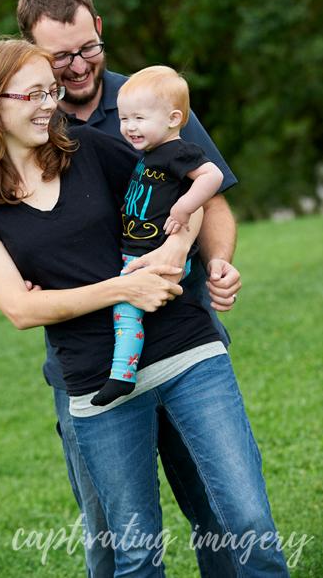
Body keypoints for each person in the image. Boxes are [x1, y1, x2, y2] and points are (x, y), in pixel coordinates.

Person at [0, 38, 290, 578]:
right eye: (34, 93)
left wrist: (179, 246)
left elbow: (187, 182)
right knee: (133, 554)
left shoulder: (86, 148)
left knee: (246, 522)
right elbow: (18, 308)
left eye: (52, 91)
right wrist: (121, 289)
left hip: (184, 349)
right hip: (95, 381)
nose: (49, 104)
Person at [16, 0, 241, 577]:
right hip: (89, 361)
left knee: (217, 514)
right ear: (34, 56)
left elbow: (210, 196)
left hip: (181, 337)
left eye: (89, 47)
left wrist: (216, 259)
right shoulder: (30, 126)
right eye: (61, 56)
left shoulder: (151, 96)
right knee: (114, 539)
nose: (80, 65)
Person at [92, 66, 224, 407]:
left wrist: (184, 207)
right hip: (138, 247)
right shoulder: (151, 154)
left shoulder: (178, 151)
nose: (129, 127)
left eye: (139, 118)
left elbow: (212, 176)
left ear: (173, 118)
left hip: (153, 252)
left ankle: (122, 375)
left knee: (125, 308)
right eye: (123, 119)